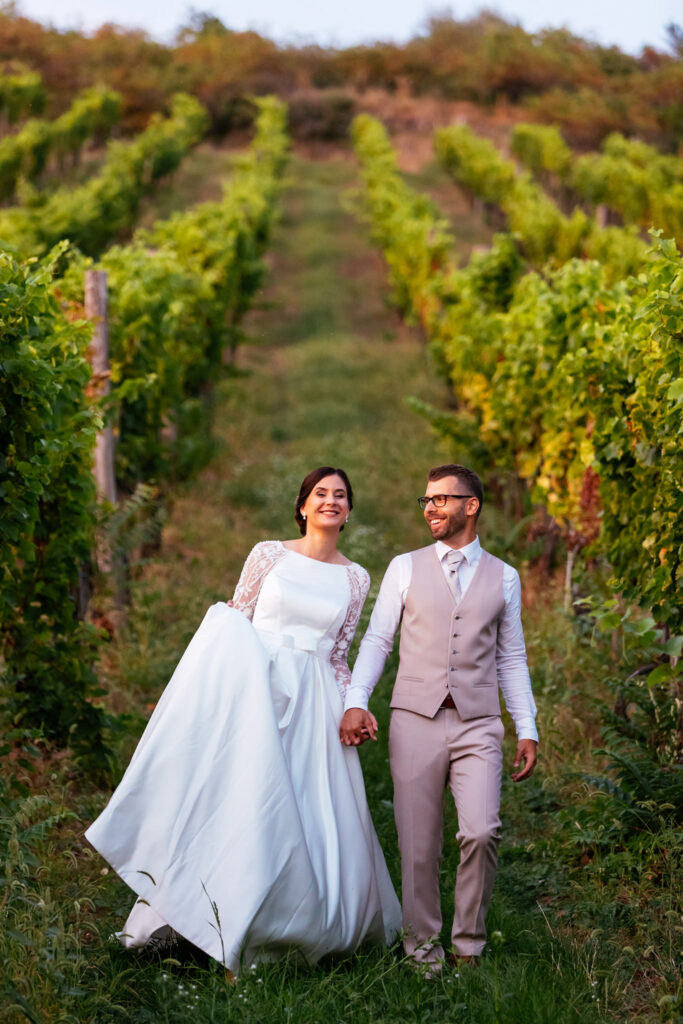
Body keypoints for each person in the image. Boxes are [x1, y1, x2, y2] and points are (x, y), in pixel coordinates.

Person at [86, 466, 401, 974]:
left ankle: (278, 931)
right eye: (320, 493)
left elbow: (339, 654)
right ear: (302, 506)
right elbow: (236, 620)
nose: (330, 501)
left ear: (348, 511)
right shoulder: (268, 554)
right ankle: (204, 913)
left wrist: (352, 704)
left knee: (300, 809)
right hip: (257, 689)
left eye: (340, 495)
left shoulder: (356, 577)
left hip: (314, 699)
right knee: (238, 799)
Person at [339, 463, 538, 972]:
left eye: (441, 499)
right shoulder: (404, 568)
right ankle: (421, 951)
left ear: (470, 506)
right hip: (414, 718)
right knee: (418, 844)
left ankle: (468, 945)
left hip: (478, 723)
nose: (430, 508)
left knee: (482, 831)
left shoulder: (505, 577)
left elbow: (511, 657)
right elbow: (379, 639)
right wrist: (356, 698)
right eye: (425, 500)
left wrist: (526, 725)